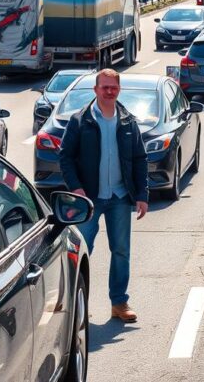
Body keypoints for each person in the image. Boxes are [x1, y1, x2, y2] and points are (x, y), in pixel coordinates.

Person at [58, 69, 149, 323]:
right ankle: (74, 304)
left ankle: (119, 302)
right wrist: (76, 187)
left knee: (121, 251)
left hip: (120, 197)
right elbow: (65, 157)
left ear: (119, 90)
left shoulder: (128, 121)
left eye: (114, 88)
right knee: (81, 251)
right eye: (105, 87)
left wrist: (142, 194)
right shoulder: (80, 120)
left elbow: (140, 158)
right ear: (96, 90)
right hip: (89, 199)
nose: (109, 92)